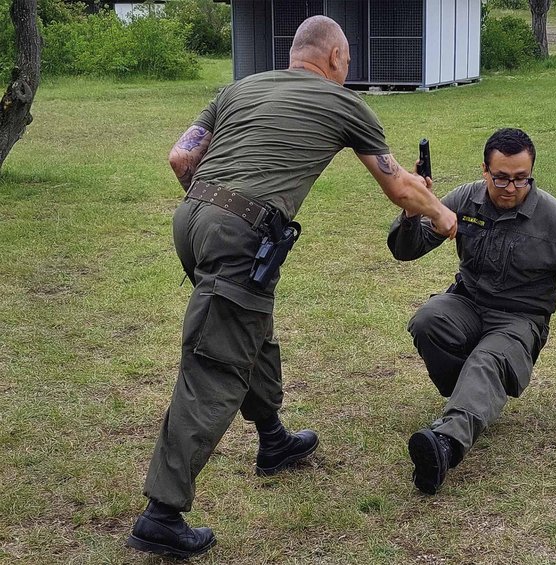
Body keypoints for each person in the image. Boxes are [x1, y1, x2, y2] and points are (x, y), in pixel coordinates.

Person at [126, 15, 457, 559]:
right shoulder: (346, 104)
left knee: (246, 324)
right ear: (333, 58)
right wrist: (442, 215)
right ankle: (162, 513)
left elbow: (181, 157)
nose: (346, 73)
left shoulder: (240, 88)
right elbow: (399, 187)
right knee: (216, 365)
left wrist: (212, 211)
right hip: (240, 233)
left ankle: (274, 440)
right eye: (346, 63)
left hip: (190, 219)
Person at [388, 128, 556, 495]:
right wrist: (411, 211)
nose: (510, 187)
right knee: (429, 320)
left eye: (522, 179)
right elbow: (407, 250)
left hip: (520, 319)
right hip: (468, 302)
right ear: (485, 170)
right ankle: (472, 401)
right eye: (501, 177)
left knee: (487, 360)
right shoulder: (464, 199)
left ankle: (445, 445)